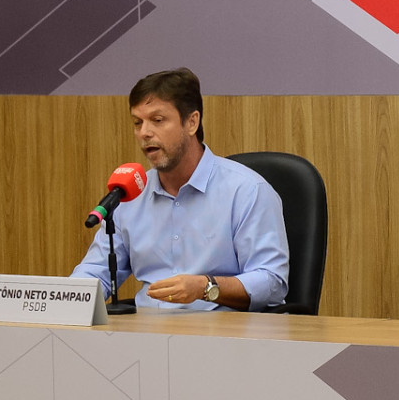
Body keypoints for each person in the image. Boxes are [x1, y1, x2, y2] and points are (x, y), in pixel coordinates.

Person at [72, 69, 290, 311]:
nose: (144, 132)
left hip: (224, 337)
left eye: (157, 120)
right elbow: (95, 273)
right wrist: (61, 301)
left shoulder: (247, 191)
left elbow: (272, 282)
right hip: (146, 336)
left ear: (191, 122)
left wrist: (205, 287)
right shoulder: (129, 194)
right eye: (137, 122)